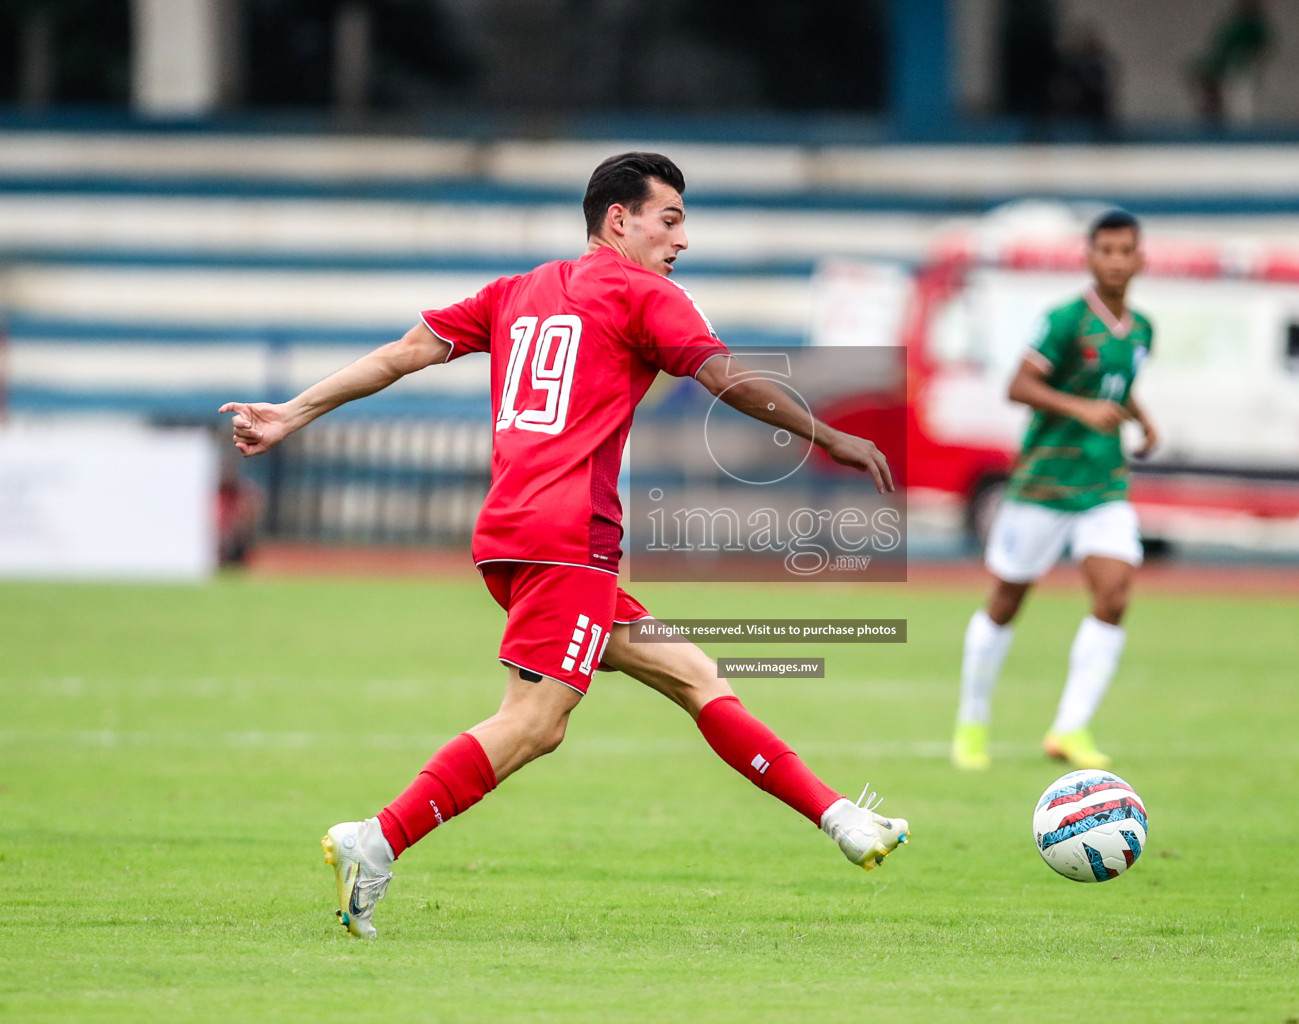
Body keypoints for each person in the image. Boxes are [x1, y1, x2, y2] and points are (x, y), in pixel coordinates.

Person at [220, 152, 909, 940]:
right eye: (670, 219)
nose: (682, 239)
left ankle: (840, 817)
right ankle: (375, 841)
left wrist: (291, 413)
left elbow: (402, 352)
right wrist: (827, 434)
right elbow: (724, 378)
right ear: (619, 219)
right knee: (538, 720)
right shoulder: (648, 294)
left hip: (510, 530)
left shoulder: (517, 292)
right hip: (569, 534)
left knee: (691, 673)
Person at [950, 209, 1157, 772]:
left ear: (1141, 259)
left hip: (1105, 484)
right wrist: (1080, 409)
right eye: (1105, 250)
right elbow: (1018, 385)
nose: (1115, 260)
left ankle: (1070, 728)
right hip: (1043, 483)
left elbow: (1117, 384)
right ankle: (972, 721)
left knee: (1114, 595)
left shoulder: (1141, 329)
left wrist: (1141, 417)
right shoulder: (1065, 320)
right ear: (1090, 257)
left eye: (1125, 250)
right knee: (1006, 601)